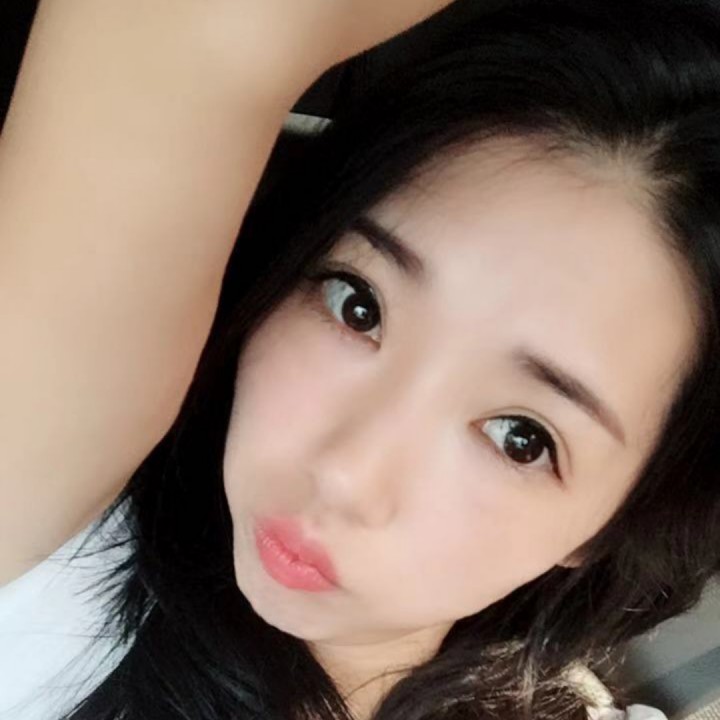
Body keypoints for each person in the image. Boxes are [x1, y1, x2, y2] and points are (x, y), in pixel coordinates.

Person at [1, 0, 719, 718]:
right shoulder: (61, 543)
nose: (346, 473)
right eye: (358, 306)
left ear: (618, 520)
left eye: (520, 437)